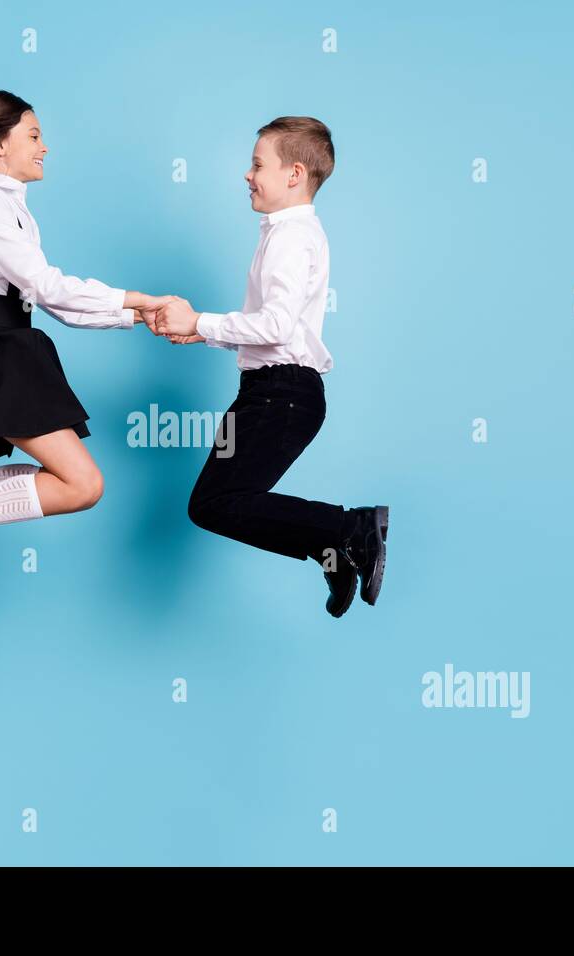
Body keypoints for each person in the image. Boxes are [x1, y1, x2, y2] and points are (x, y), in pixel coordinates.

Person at [0, 90, 170, 604]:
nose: (45, 146)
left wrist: (136, 316)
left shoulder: (3, 203)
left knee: (77, 483)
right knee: (82, 485)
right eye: (33, 135)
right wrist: (136, 298)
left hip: (12, 344)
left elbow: (54, 303)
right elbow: (46, 287)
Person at [154, 117, 389, 618]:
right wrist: (201, 331)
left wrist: (200, 319)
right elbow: (275, 329)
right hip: (273, 390)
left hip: (279, 394)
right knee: (217, 502)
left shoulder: (290, 236)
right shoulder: (293, 233)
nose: (247, 175)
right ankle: (334, 553)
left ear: (294, 174)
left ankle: (349, 530)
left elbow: (278, 326)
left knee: (215, 503)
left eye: (258, 165)